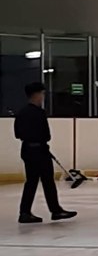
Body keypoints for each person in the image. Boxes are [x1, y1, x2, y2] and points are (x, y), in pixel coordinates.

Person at [15, 82, 77, 224]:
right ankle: (55, 210)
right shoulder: (39, 113)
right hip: (40, 151)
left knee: (31, 182)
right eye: (42, 94)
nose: (43, 97)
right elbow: (46, 135)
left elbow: (17, 134)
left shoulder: (21, 113)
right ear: (36, 94)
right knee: (48, 181)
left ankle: (24, 212)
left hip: (27, 150)